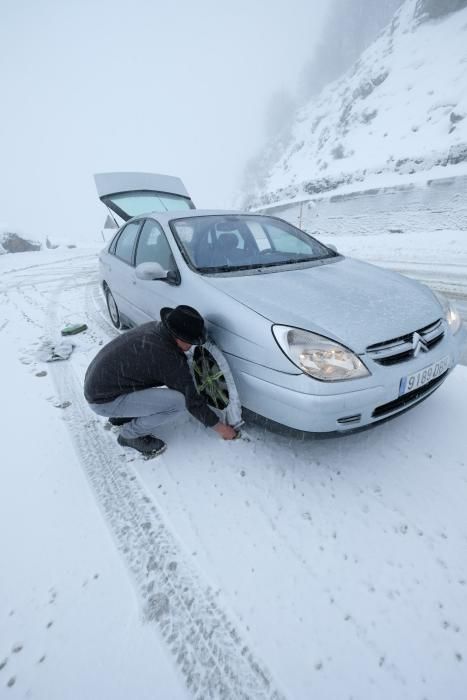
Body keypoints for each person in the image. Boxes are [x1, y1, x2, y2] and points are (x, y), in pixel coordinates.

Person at [84, 305, 237, 455]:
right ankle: (130, 435)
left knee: (145, 380)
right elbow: (192, 401)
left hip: (101, 385)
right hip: (104, 401)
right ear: (179, 337)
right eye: (191, 341)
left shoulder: (155, 329)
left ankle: (122, 415)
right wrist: (221, 428)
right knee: (178, 402)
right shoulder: (166, 356)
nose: (191, 346)